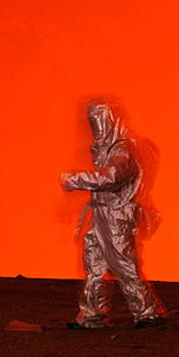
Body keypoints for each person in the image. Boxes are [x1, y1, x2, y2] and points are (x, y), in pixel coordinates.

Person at [60, 98, 164, 329]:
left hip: (117, 214)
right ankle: (91, 315)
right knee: (93, 263)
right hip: (101, 213)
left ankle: (146, 312)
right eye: (92, 121)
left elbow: (113, 177)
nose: (95, 127)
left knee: (123, 263)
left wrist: (77, 179)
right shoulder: (108, 148)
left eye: (99, 121)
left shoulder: (123, 149)